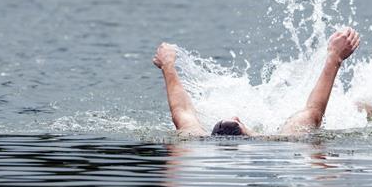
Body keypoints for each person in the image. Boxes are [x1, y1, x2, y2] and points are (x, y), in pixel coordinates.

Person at [153, 27, 361, 137]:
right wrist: (335, 57)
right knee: (359, 109)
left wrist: (168, 66)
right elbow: (314, 112)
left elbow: (182, 112)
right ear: (240, 123)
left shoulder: (197, 139)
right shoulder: (283, 140)